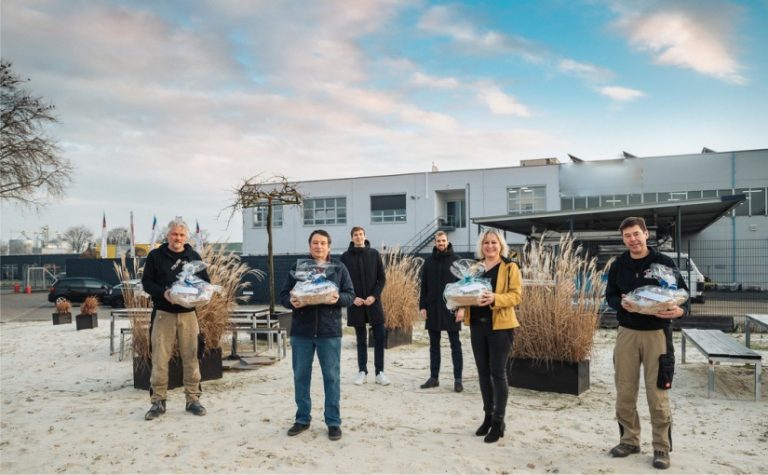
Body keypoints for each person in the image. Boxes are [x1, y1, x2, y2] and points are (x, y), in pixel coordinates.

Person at [605, 216, 686, 470]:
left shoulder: (663, 262)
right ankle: (629, 440)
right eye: (627, 236)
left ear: (645, 235)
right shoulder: (619, 264)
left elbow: (682, 293)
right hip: (627, 332)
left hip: (656, 334)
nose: (633, 239)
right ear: (623, 239)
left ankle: (661, 447)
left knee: (658, 392)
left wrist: (679, 312)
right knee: (625, 390)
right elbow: (610, 296)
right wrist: (622, 304)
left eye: (636, 234)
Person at [279, 229, 355, 441]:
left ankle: (333, 422)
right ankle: (302, 419)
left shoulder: (338, 268)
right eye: (315, 243)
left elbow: (350, 295)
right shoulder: (298, 268)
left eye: (322, 243)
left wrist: (337, 298)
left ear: (329, 246)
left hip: (329, 332)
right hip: (301, 331)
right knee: (301, 376)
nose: (319, 246)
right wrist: (291, 302)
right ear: (309, 245)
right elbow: (284, 295)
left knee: (331, 377)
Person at [456, 228, 522, 443]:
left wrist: (495, 298)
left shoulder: (510, 267)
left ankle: (498, 421)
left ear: (501, 245)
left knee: (498, 373)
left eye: (494, 242)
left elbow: (516, 296)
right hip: (477, 325)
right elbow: (465, 292)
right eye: (486, 243)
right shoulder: (475, 268)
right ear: (481, 246)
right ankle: (487, 416)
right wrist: (460, 306)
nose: (490, 246)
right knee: (483, 374)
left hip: (500, 327)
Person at [141, 217, 210, 420]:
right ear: (167, 235)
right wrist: (164, 293)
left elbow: (205, 282)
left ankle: (193, 399)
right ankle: (158, 402)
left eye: (181, 234)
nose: (177, 238)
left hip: (188, 316)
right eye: (174, 234)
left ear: (186, 236)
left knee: (191, 356)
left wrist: (198, 294)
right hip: (163, 314)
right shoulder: (156, 256)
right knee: (160, 358)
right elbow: (147, 283)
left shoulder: (193, 256)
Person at [340, 226, 390, 386]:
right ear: (352, 238)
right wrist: (352, 298)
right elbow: (341, 281)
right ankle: (362, 371)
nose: (359, 237)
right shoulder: (345, 257)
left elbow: (381, 279)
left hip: (373, 303)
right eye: (356, 235)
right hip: (355, 304)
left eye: (361, 234)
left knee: (380, 336)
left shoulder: (374, 254)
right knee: (361, 339)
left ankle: (380, 372)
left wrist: (374, 296)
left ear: (365, 236)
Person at [418, 231, 463, 392]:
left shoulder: (456, 261)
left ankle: (458, 380)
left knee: (455, 345)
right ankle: (434, 377)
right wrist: (422, 306)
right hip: (432, 308)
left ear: (447, 241)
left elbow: (462, 287)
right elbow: (424, 286)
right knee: (433, 345)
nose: (441, 243)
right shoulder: (429, 262)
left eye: (443, 240)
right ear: (435, 243)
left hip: (451, 309)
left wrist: (462, 309)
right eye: (438, 241)